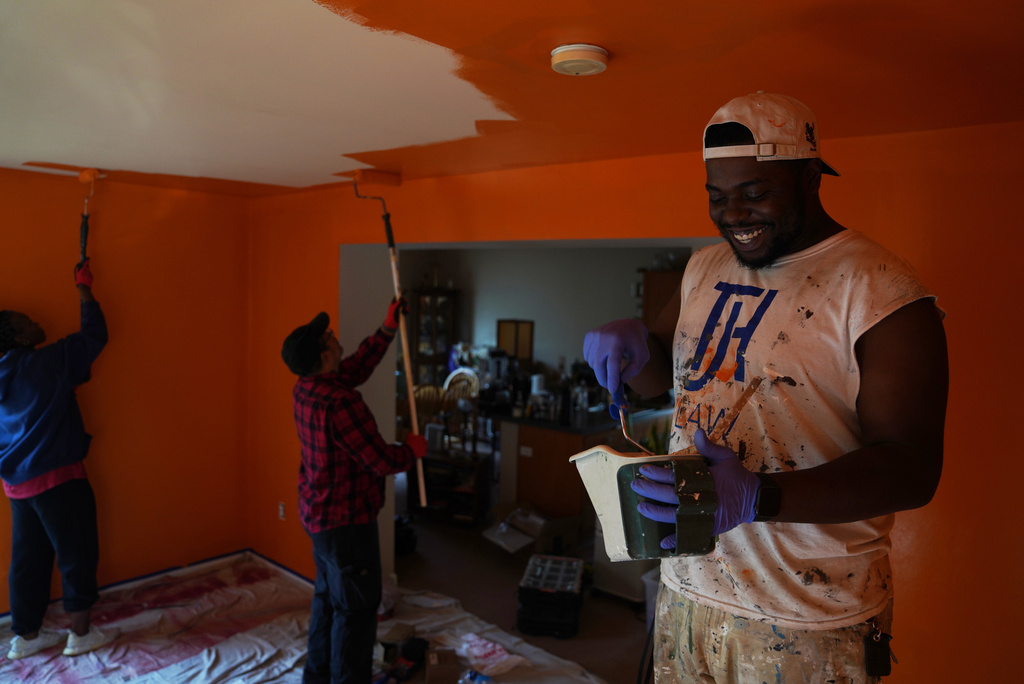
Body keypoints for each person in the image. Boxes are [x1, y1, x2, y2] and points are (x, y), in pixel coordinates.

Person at [584, 92, 948, 683]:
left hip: (808, 619)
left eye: (755, 194)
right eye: (717, 196)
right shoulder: (704, 266)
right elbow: (662, 381)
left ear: (809, 177)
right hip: (687, 590)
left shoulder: (881, 290)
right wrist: (630, 349)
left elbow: (912, 469)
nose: (734, 215)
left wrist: (757, 496)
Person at [281, 298, 428, 684]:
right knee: (357, 612)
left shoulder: (306, 388)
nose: (333, 334)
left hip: (320, 520)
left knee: (328, 602)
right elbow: (380, 460)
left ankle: (317, 677)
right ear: (325, 356)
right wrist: (410, 452)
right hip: (347, 525)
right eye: (328, 337)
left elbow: (356, 367)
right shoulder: (342, 403)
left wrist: (387, 328)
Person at [0, 259, 117, 660]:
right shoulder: (48, 362)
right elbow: (94, 335)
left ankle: (26, 638)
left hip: (17, 484)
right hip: (58, 478)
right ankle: (80, 635)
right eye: (27, 322)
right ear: (17, 337)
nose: (36, 323)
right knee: (77, 551)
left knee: (28, 559)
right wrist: (84, 287)